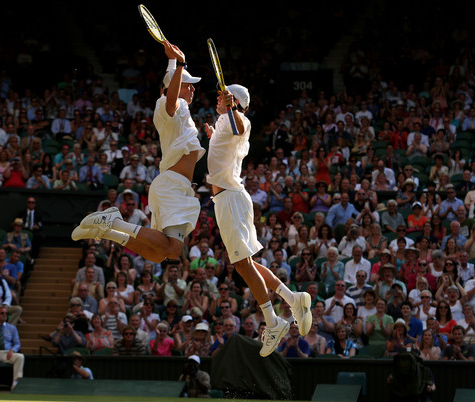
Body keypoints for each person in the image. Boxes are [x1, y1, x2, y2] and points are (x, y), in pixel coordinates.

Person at [198, 84, 312, 356]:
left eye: (223, 96)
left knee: (240, 265)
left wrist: (232, 108)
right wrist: (213, 135)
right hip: (229, 199)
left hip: (231, 200)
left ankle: (273, 322)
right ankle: (292, 298)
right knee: (246, 263)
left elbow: (238, 125)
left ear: (234, 101)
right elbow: (228, 139)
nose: (217, 98)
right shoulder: (224, 122)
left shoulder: (238, 119)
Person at [72, 41, 205, 267]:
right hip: (171, 186)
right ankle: (115, 221)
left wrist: (172, 61)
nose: (192, 88)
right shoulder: (169, 104)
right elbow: (169, 95)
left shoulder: (183, 112)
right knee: (172, 250)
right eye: (187, 84)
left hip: (178, 187)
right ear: (173, 87)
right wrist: (180, 64)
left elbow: (169, 84)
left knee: (159, 254)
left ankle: (108, 231)